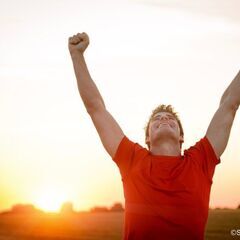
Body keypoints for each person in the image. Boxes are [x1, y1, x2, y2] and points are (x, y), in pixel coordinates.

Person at [68, 32, 239, 240]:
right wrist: (77, 55)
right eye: (157, 119)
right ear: (147, 138)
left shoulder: (201, 160)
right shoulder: (131, 159)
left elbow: (229, 104)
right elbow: (96, 108)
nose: (164, 119)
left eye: (170, 118)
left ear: (181, 136)